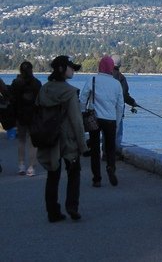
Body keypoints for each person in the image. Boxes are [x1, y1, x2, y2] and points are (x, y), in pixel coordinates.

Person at [36, 55, 88, 222]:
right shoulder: (70, 92)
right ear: (62, 69)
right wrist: (83, 145)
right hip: (68, 140)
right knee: (74, 174)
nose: (73, 70)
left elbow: (37, 113)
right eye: (71, 67)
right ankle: (72, 207)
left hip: (49, 138)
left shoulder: (44, 90)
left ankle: (53, 212)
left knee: (52, 175)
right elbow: (76, 121)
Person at [80, 55, 124, 187]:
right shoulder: (116, 84)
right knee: (110, 148)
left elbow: (83, 98)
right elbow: (120, 105)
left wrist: (83, 114)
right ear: (111, 68)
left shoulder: (93, 79)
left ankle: (97, 178)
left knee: (94, 149)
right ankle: (111, 167)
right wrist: (117, 122)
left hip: (94, 118)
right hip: (110, 119)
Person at [10, 61, 42, 176]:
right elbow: (40, 100)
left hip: (20, 114)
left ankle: (21, 165)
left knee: (21, 140)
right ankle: (31, 167)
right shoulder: (37, 83)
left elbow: (12, 99)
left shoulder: (16, 83)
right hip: (33, 114)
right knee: (33, 142)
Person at [111, 54, 137, 157]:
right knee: (117, 133)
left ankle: (106, 154)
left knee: (106, 133)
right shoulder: (121, 78)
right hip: (118, 110)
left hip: (103, 110)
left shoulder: (104, 76)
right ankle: (115, 154)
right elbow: (124, 95)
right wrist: (133, 102)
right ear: (120, 65)